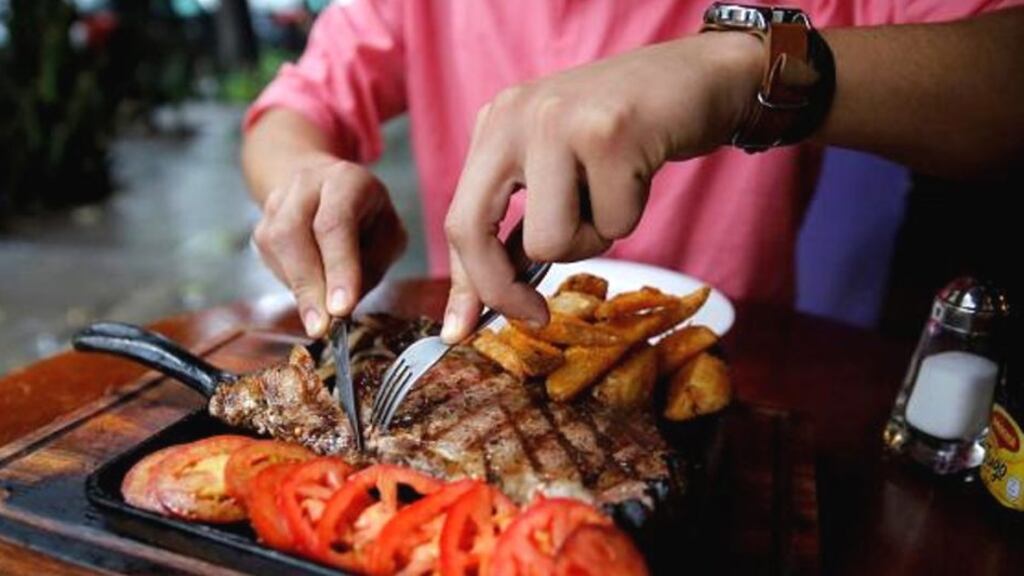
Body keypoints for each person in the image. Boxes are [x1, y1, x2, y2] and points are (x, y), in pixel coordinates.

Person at [241, 1, 1023, 343]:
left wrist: (742, 70)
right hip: (480, 341)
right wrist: (305, 179)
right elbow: (292, 111)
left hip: (740, 366)